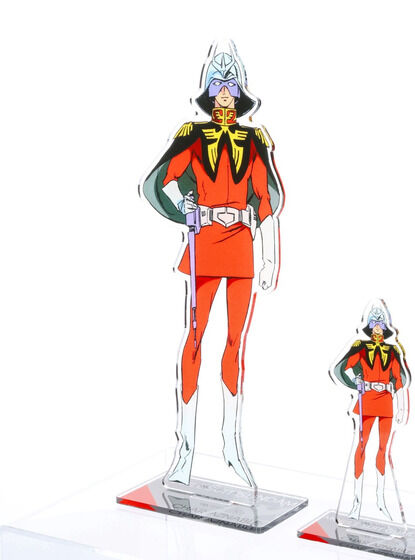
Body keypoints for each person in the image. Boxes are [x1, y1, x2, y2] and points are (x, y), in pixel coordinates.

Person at [141, 40, 283, 489]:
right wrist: (185, 213)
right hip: (203, 245)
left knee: (235, 343)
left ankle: (231, 445)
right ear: (208, 90)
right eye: (218, 85)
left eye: (231, 86)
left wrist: (270, 254)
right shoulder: (192, 135)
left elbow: (267, 200)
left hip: (241, 247)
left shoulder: (255, 141)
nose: (224, 94)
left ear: (240, 93)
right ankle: (184, 450)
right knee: (195, 337)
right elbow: (156, 183)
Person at [331, 303, 409, 520]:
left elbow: (400, 380)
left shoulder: (393, 351)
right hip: (366, 401)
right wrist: (355, 383)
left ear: (384, 327)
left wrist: (402, 406)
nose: (377, 328)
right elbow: (341, 368)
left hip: (386, 402)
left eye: (380, 324)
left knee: (383, 449)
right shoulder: (360, 347)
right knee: (361, 446)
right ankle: (356, 502)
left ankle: (381, 501)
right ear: (369, 325)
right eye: (374, 324)